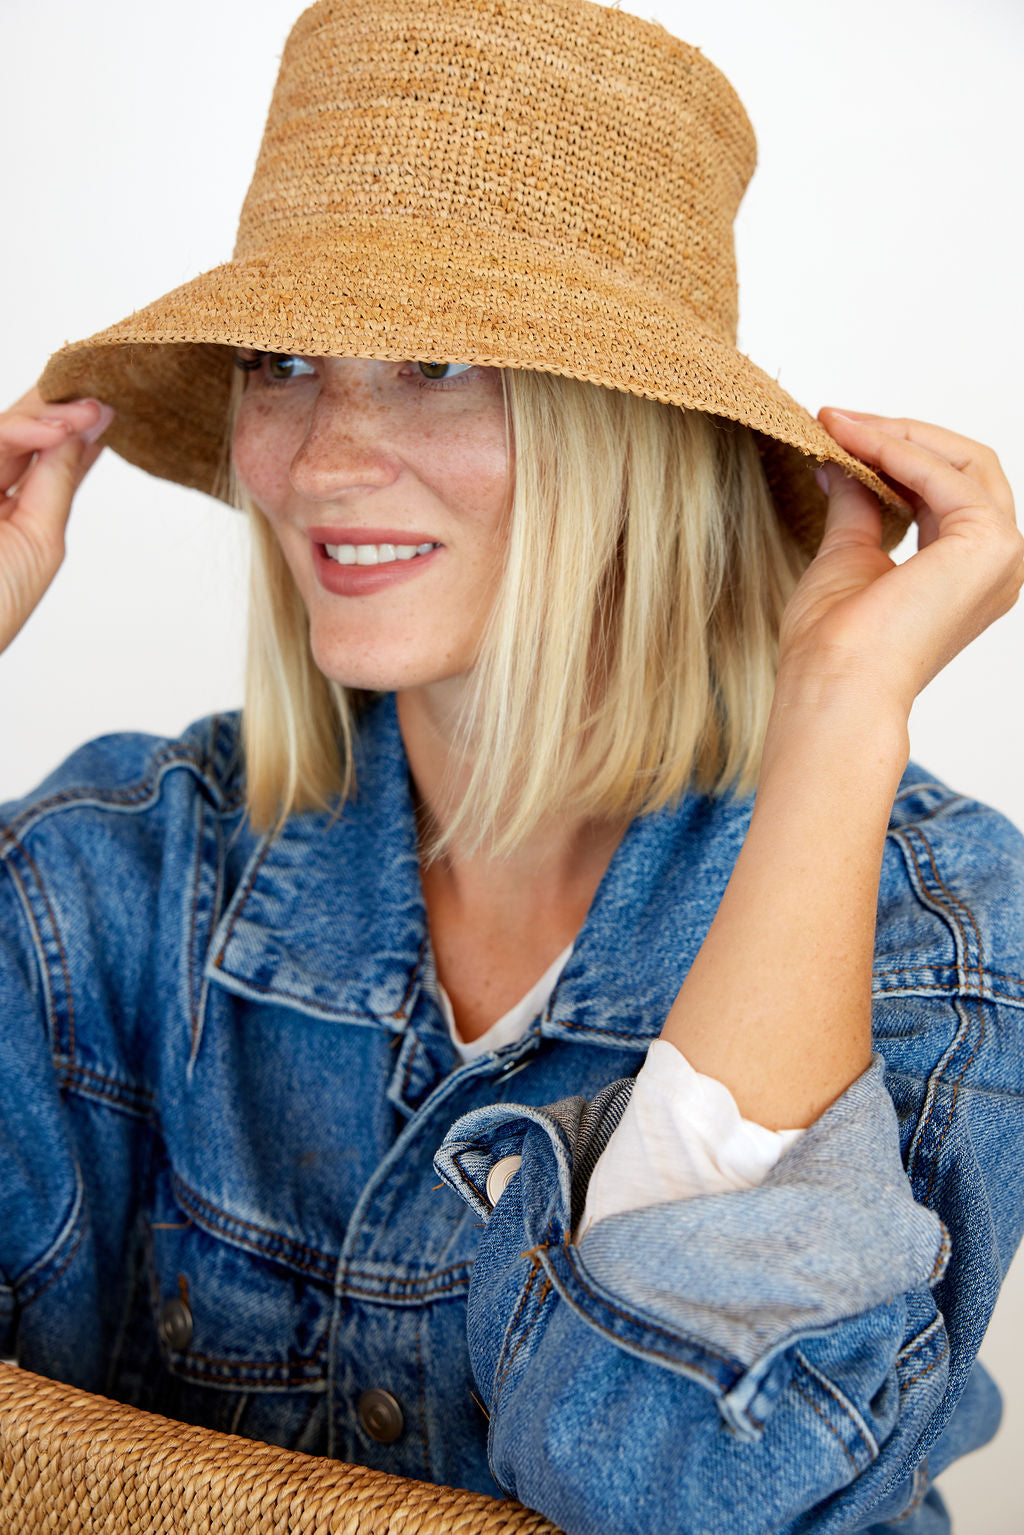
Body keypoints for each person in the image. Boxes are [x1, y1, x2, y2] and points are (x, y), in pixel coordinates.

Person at [1, 0, 1022, 1530]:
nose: (327, 457)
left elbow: (701, 1486)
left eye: (444, 362)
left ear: (638, 435)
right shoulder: (119, 871)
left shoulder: (928, 923)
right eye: (283, 359)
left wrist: (840, 721)